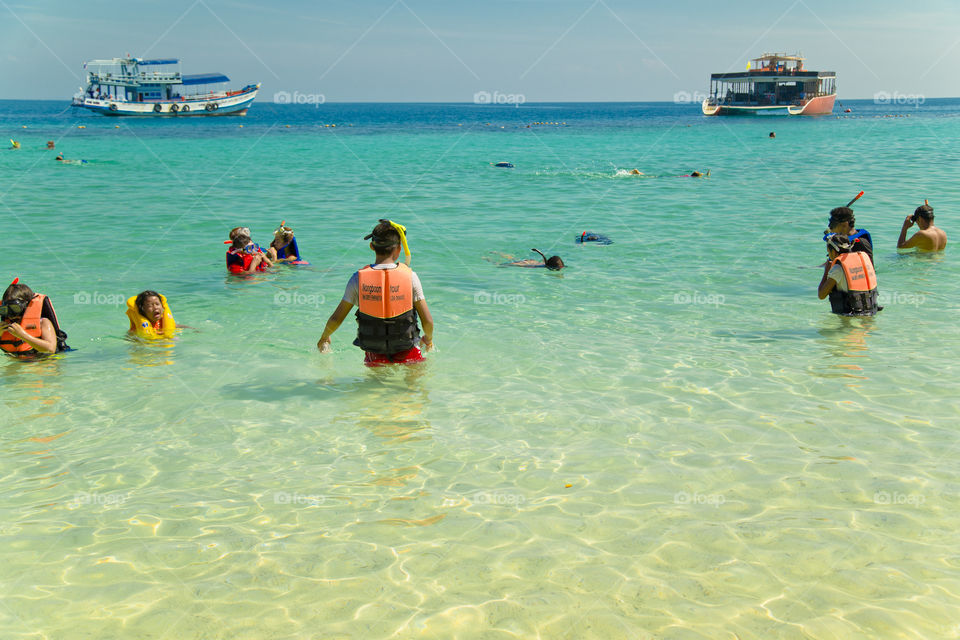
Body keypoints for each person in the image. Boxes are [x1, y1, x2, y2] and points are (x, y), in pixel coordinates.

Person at [317, 220, 434, 366]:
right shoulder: (411, 277)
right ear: (399, 249)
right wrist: (428, 339)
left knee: (375, 388)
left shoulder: (357, 279)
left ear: (372, 246)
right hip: (408, 350)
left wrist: (324, 337)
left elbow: (336, 319)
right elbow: (428, 321)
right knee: (413, 387)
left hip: (375, 353)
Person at [0, 279, 69, 355]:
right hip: (20, 361)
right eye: (5, 310)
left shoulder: (43, 323)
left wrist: (22, 335)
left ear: (27, 305)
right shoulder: (4, 327)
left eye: (15, 308)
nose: (11, 314)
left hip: (45, 361)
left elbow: (50, 348)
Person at [818, 234, 880, 316]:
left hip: (851, 317)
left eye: (828, 253)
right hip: (870, 313)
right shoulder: (862, 261)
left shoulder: (838, 269)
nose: (829, 256)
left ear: (833, 252)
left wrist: (826, 270)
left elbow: (821, 295)